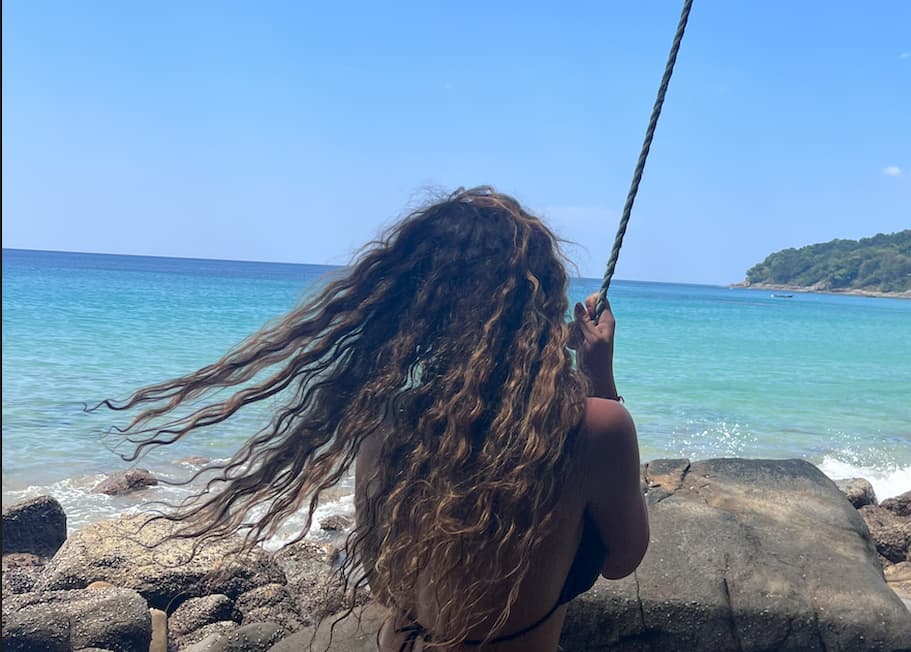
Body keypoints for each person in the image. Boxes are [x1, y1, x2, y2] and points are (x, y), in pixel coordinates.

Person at [98, 187, 650, 651]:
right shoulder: (594, 426)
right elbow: (621, 560)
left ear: (417, 304)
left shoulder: (386, 420)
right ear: (539, 301)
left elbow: (387, 584)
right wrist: (599, 377)